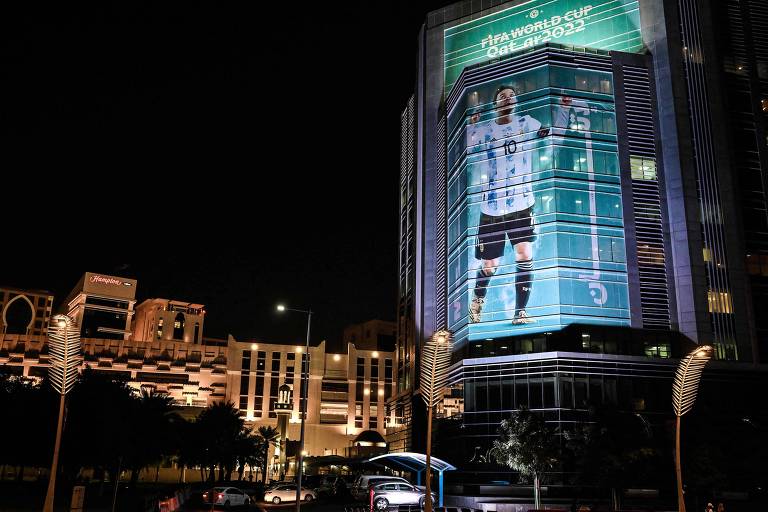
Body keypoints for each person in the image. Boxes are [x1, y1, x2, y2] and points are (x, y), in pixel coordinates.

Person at [467, 84, 550, 325]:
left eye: (511, 96)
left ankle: (520, 312)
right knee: (490, 265)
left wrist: (546, 131)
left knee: (524, 254)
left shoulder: (526, 122)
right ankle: (477, 302)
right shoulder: (485, 130)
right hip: (492, 209)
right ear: (496, 104)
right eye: (502, 97)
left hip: (522, 205)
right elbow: (468, 146)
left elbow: (543, 131)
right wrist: (472, 124)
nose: (508, 99)